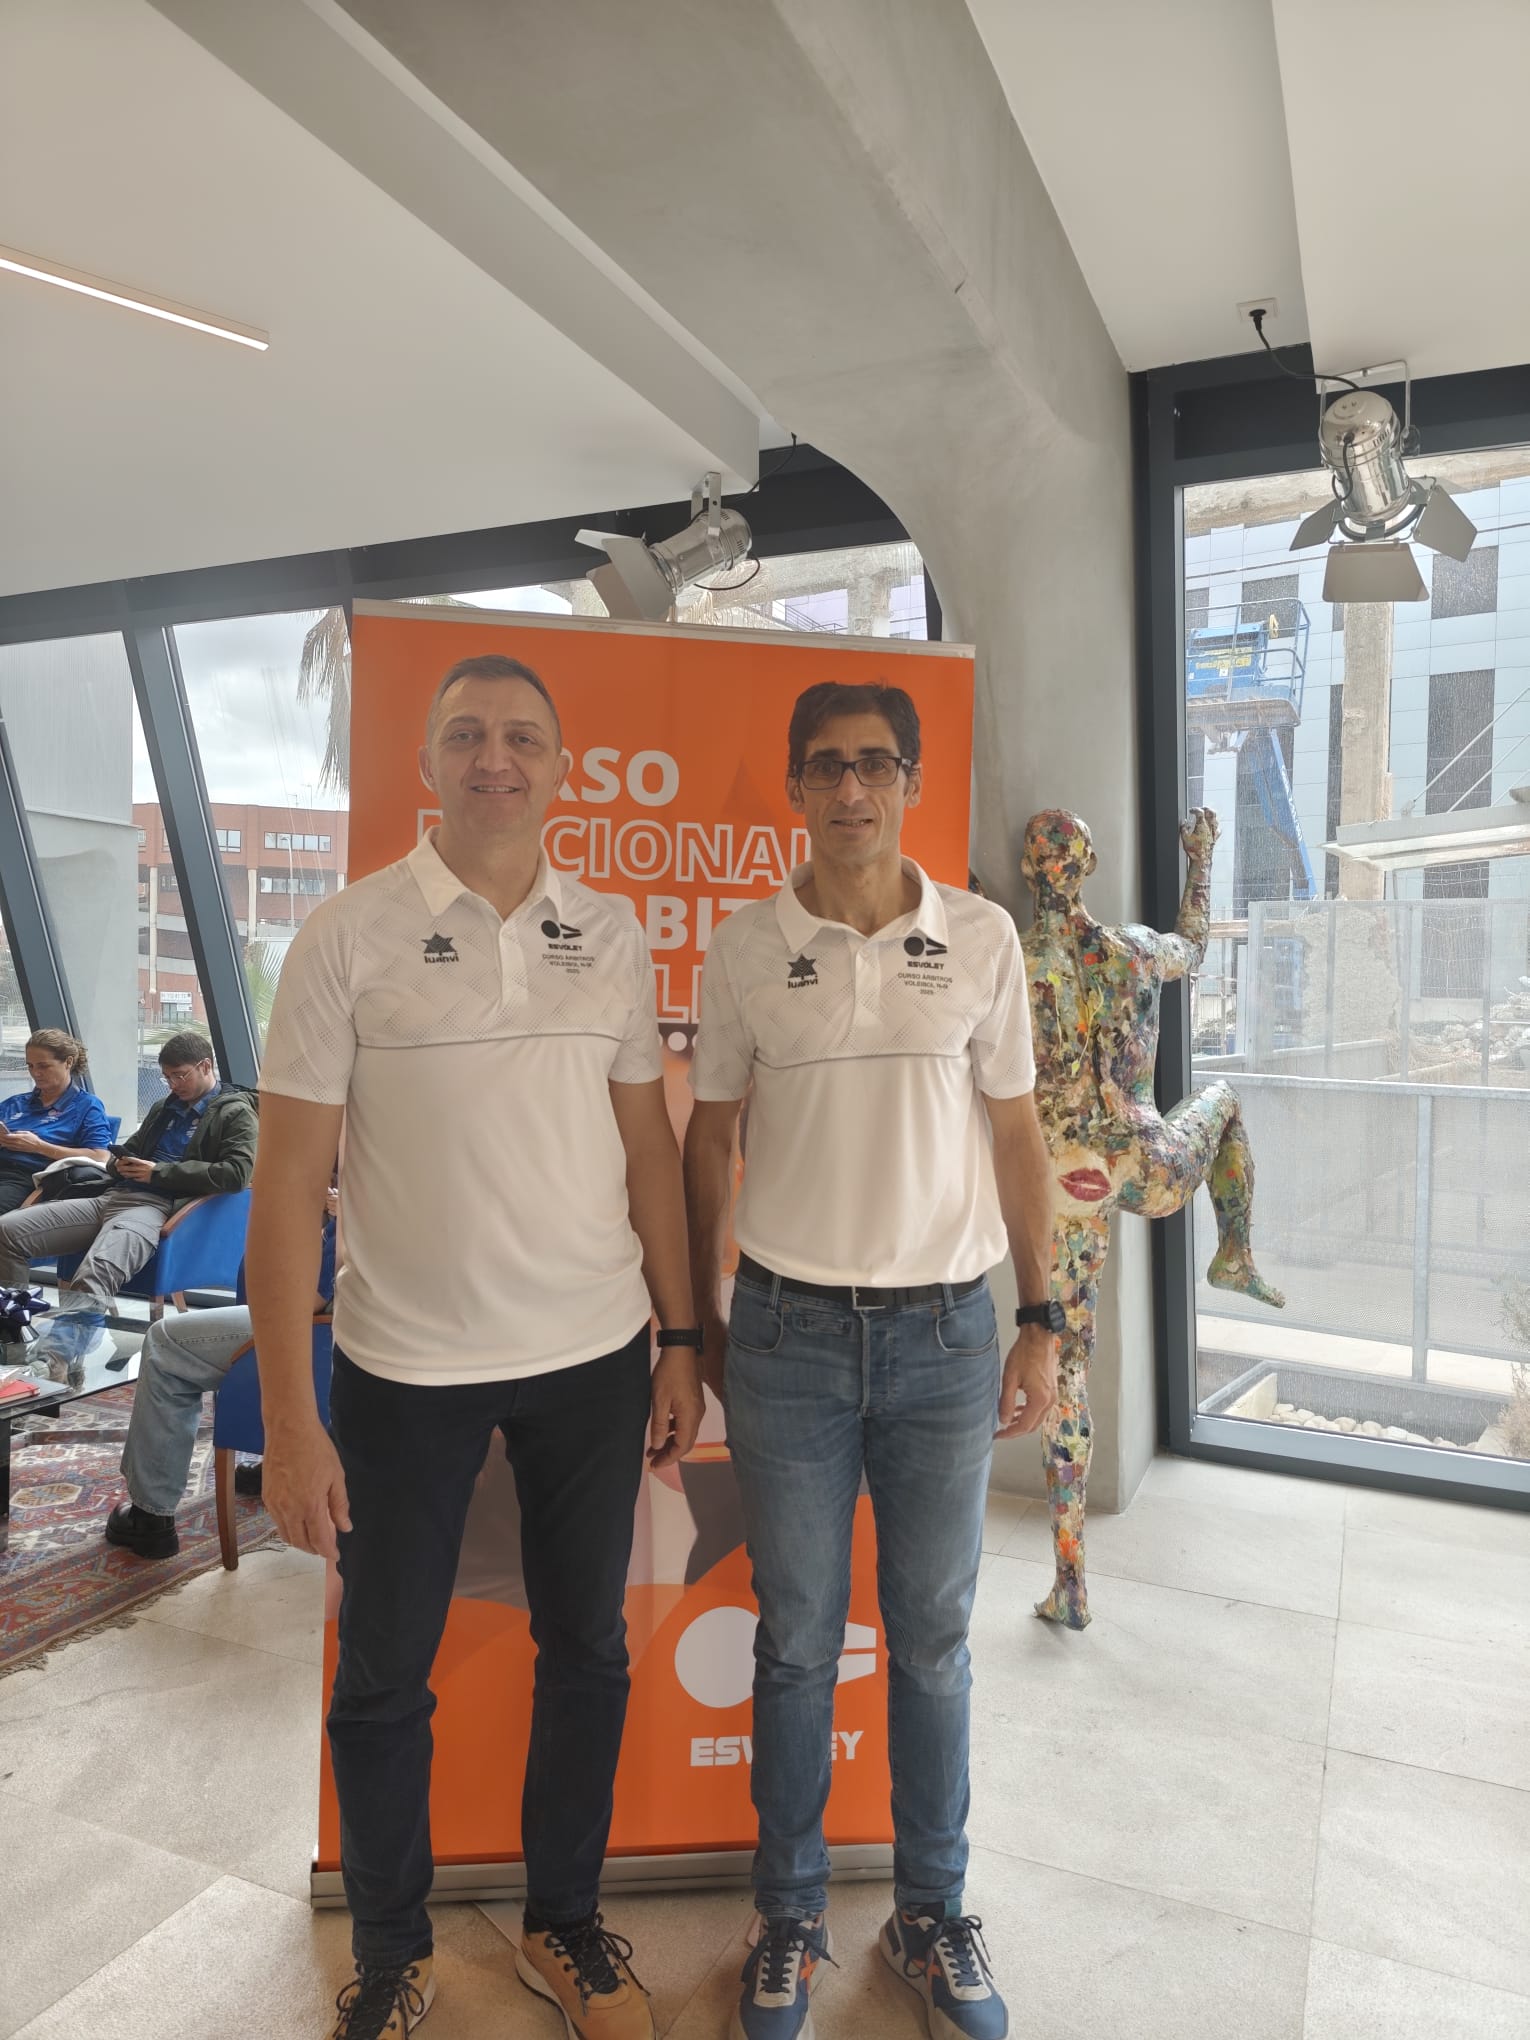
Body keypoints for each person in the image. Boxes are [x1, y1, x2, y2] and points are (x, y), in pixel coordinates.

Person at [248, 652, 703, 2040]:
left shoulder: (609, 933)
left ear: (561, 767)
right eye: (466, 736)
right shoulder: (345, 938)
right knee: (384, 1678)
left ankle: (563, 1926)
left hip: (591, 1355)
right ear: (427, 762)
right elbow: (286, 1187)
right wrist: (291, 1419)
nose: (494, 759)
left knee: (589, 1654)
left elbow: (648, 1149)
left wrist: (681, 1337)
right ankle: (393, 1951)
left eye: (520, 738)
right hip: (402, 1370)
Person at [684, 680, 1057, 2040]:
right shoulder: (743, 947)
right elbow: (708, 1135)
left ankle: (928, 1911)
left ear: (910, 780)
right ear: (795, 783)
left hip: (947, 1334)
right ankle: (786, 1916)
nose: (852, 789)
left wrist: (1041, 1316)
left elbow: (1017, 1133)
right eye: (828, 766)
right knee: (793, 1640)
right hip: (785, 1333)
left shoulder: (982, 938)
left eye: (877, 765)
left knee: (935, 1640)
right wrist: (698, 1318)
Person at [0, 1031, 257, 1379]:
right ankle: (12, 1338)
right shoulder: (164, 1108)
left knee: (96, 1271)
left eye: (179, 1075)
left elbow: (236, 1174)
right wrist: (119, 1163)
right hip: (111, 1196)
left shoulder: (236, 1112)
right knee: (8, 1231)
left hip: (156, 1208)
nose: (173, 1084)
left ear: (206, 1066)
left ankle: (54, 1360)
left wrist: (158, 1173)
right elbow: (123, 1153)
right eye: (167, 1077)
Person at [100, 1189, 338, 1560]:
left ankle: (150, 1516)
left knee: (165, 1342)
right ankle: (271, 1459)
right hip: (378, 1343)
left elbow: (307, 1299)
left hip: (323, 1331)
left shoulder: (367, 1188)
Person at [0, 1028, 112, 1220]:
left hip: (25, 1176)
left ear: (68, 1062)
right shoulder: (16, 1103)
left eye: (43, 1066)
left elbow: (100, 1156)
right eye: (30, 1066)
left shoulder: (86, 1105)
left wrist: (39, 1147)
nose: (35, 1073)